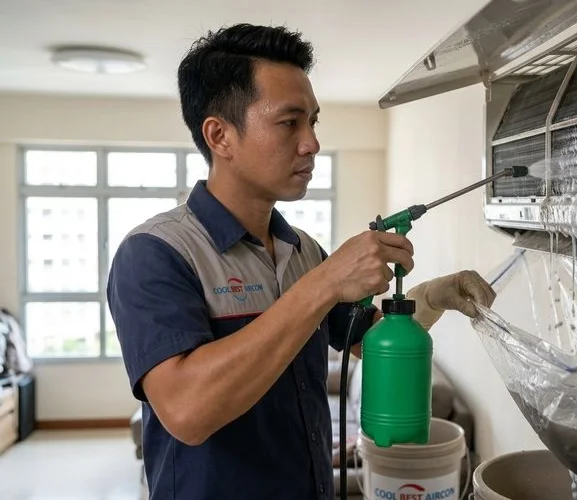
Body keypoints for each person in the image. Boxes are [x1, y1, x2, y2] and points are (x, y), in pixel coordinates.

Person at [106, 23, 496, 500]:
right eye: (290, 122)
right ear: (220, 135)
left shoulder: (301, 250)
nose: (311, 142)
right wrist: (326, 282)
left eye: (313, 121)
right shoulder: (156, 253)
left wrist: (428, 297)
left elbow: (369, 341)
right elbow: (188, 412)